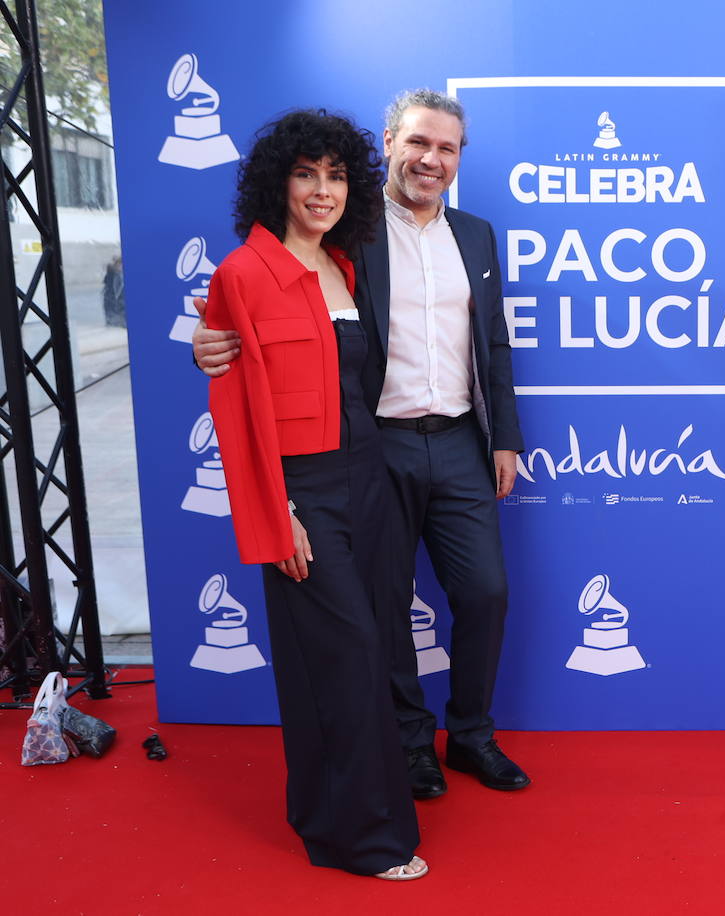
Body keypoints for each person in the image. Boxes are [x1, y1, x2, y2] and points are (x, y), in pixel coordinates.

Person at [194, 89, 528, 799]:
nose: (430, 159)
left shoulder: (477, 235)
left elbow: (493, 343)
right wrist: (208, 342)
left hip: (465, 443)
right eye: (418, 143)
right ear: (388, 143)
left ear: (459, 158)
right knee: (385, 606)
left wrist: (505, 437)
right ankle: (411, 745)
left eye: (446, 148)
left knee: (487, 593)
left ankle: (470, 734)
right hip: (375, 446)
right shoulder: (349, 231)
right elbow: (271, 300)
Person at [204, 110, 426, 879]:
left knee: (370, 652)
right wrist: (279, 515)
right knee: (346, 656)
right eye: (306, 173)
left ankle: (336, 810)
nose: (321, 190)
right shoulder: (240, 275)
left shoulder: (345, 266)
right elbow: (235, 413)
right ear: (278, 183)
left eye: (335, 175)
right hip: (303, 494)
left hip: (369, 481)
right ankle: (359, 840)